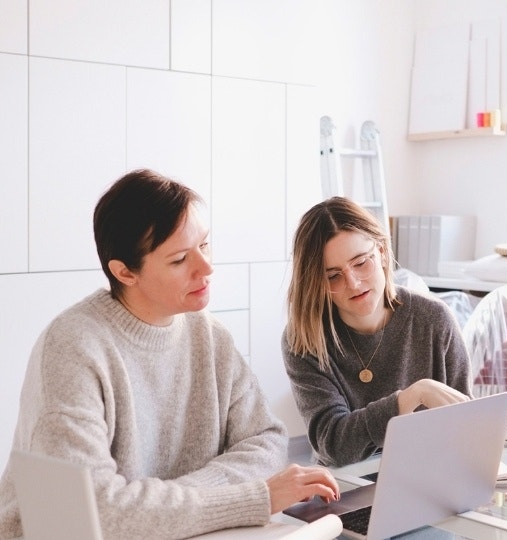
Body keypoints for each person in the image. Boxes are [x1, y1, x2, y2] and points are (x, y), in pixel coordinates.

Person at [0, 169, 339, 540]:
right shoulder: (72, 349)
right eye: (180, 260)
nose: (206, 268)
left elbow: (268, 442)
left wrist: (164, 505)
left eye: (205, 245)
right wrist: (248, 498)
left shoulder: (208, 334)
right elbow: (93, 513)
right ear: (125, 272)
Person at [282, 196, 473, 467]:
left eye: (361, 262)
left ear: (382, 252)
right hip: (345, 483)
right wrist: (409, 398)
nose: (353, 282)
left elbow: (468, 424)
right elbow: (333, 443)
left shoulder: (433, 319)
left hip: (429, 470)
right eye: (333, 276)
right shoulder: (304, 339)